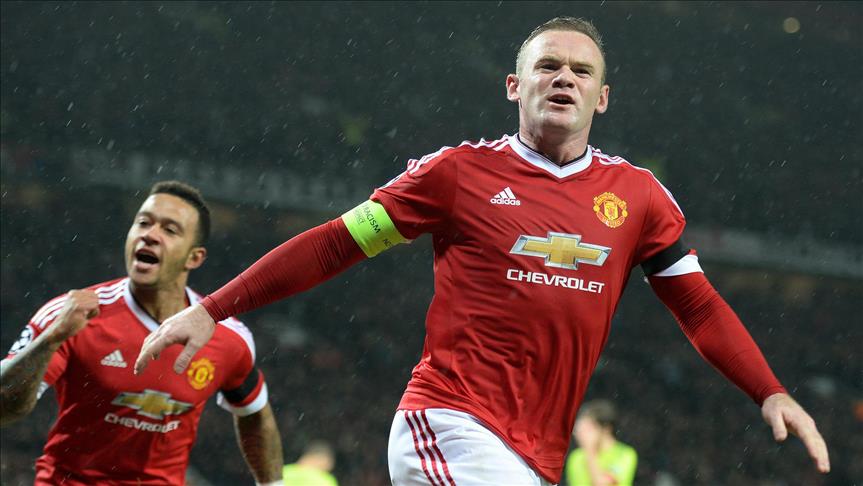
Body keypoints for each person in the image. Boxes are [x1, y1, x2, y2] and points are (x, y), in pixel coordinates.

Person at [134, 17, 830, 485]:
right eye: (547, 66)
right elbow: (334, 245)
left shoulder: (640, 198)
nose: (564, 78)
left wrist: (767, 389)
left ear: (602, 97)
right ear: (514, 86)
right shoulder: (457, 174)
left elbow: (698, 307)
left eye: (580, 70)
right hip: (449, 422)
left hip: (536, 455)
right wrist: (213, 309)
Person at [0, 181, 284, 486]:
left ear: (194, 257)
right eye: (143, 223)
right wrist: (51, 339)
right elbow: (4, 407)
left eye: (170, 230)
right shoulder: (70, 315)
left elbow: (255, 413)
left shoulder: (227, 336)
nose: (150, 234)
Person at [565, 400, 637, 486]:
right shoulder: (576, 457)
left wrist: (590, 450)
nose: (581, 434)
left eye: (588, 428)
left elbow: (602, 484)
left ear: (606, 429)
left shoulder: (624, 454)